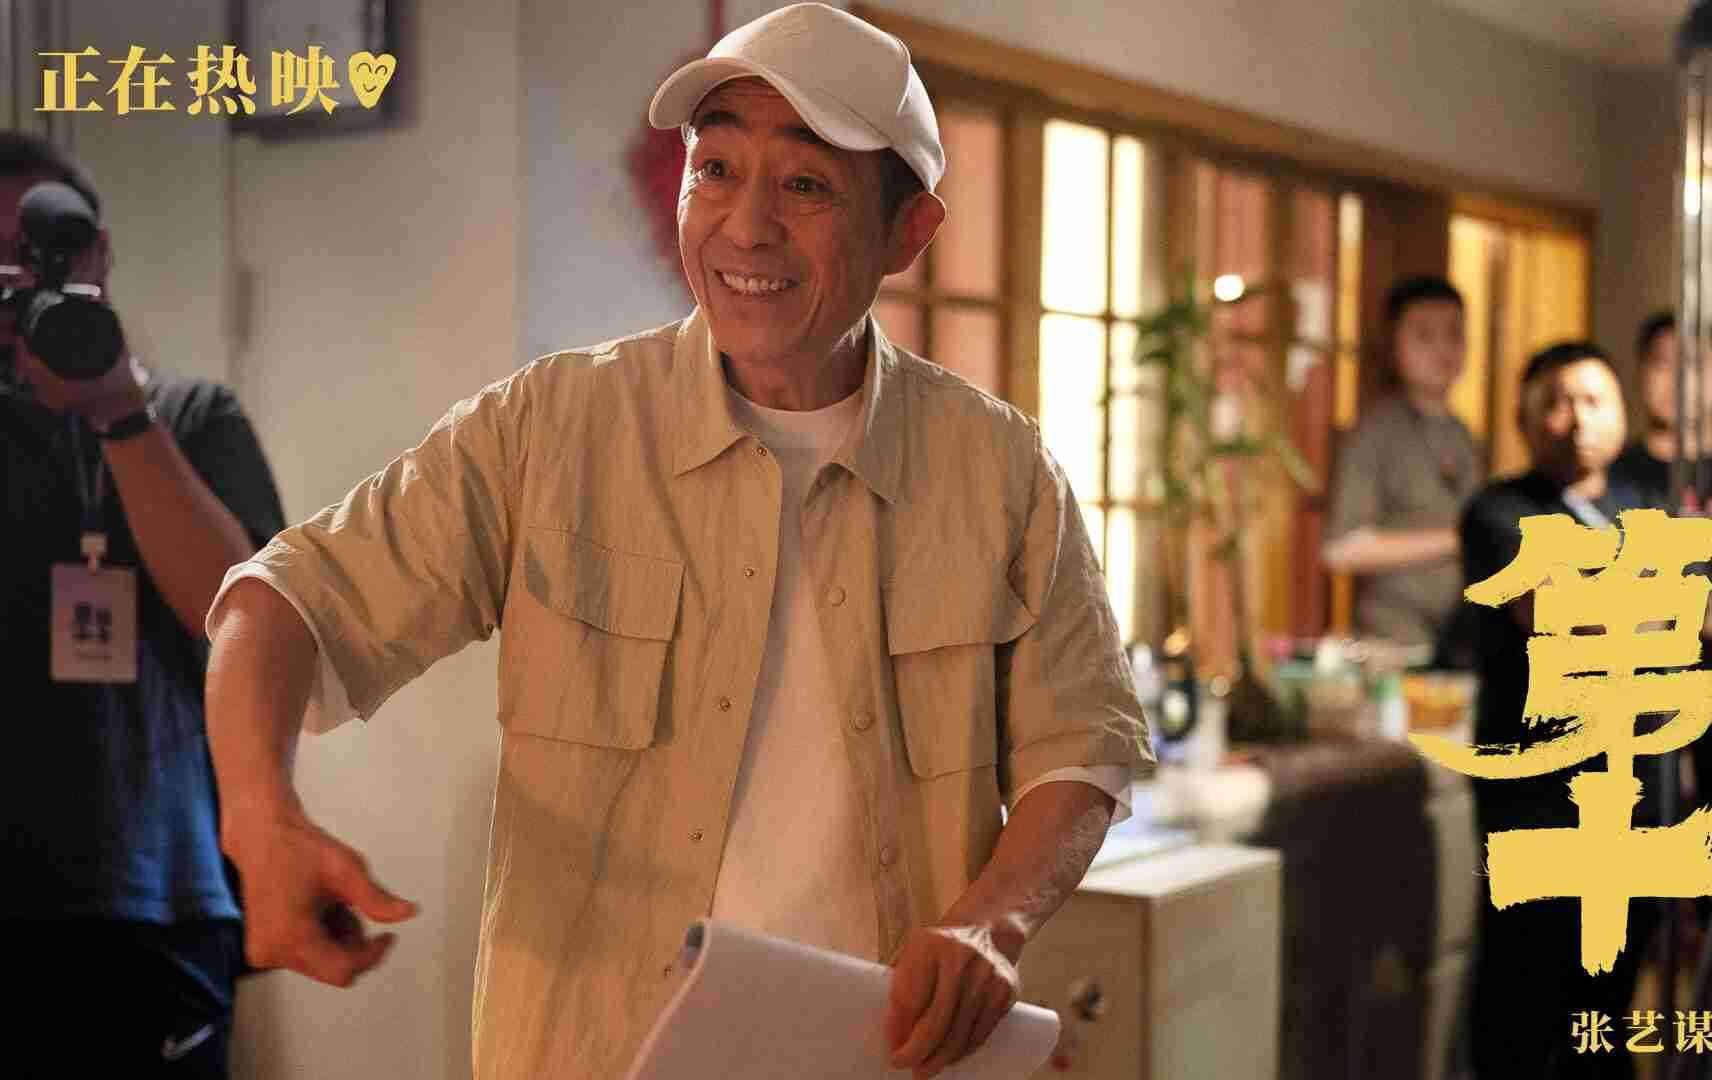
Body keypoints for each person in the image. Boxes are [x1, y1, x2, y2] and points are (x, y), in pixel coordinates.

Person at [200, 5, 1153, 1079]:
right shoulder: (552, 427)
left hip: (883, 1055)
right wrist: (258, 816)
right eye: (716, 170)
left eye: (806, 185)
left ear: (908, 232)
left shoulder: (1000, 467)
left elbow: (1082, 746)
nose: (746, 227)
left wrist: (992, 924)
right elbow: (284, 601)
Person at [1, 131, 287, 1076]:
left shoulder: (194, 420)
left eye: (47, 248)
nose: (24, 278)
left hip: (156, 898)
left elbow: (242, 620)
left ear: (98, 255)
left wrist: (116, 410)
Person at [1457, 342, 1653, 1079]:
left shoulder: (1641, 508)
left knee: (1607, 1005)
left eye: (1594, 401)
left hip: (1631, 790)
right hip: (1534, 795)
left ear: (1622, 415)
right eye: (1557, 402)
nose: (1576, 420)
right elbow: (1557, 612)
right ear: (1523, 419)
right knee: (1521, 993)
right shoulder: (1498, 510)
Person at [1322, 275, 1481, 654]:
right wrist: (1456, 541)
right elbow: (1340, 549)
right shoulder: (1374, 433)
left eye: (1454, 334)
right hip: (1392, 642)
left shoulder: (1465, 435)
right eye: (1424, 336)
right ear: (1394, 345)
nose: (1443, 349)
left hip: (1460, 639)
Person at [1610, 310, 1712, 509]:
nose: (1679, 380)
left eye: (1696, 366)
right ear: (1640, 371)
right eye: (1663, 364)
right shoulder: (1610, 475)